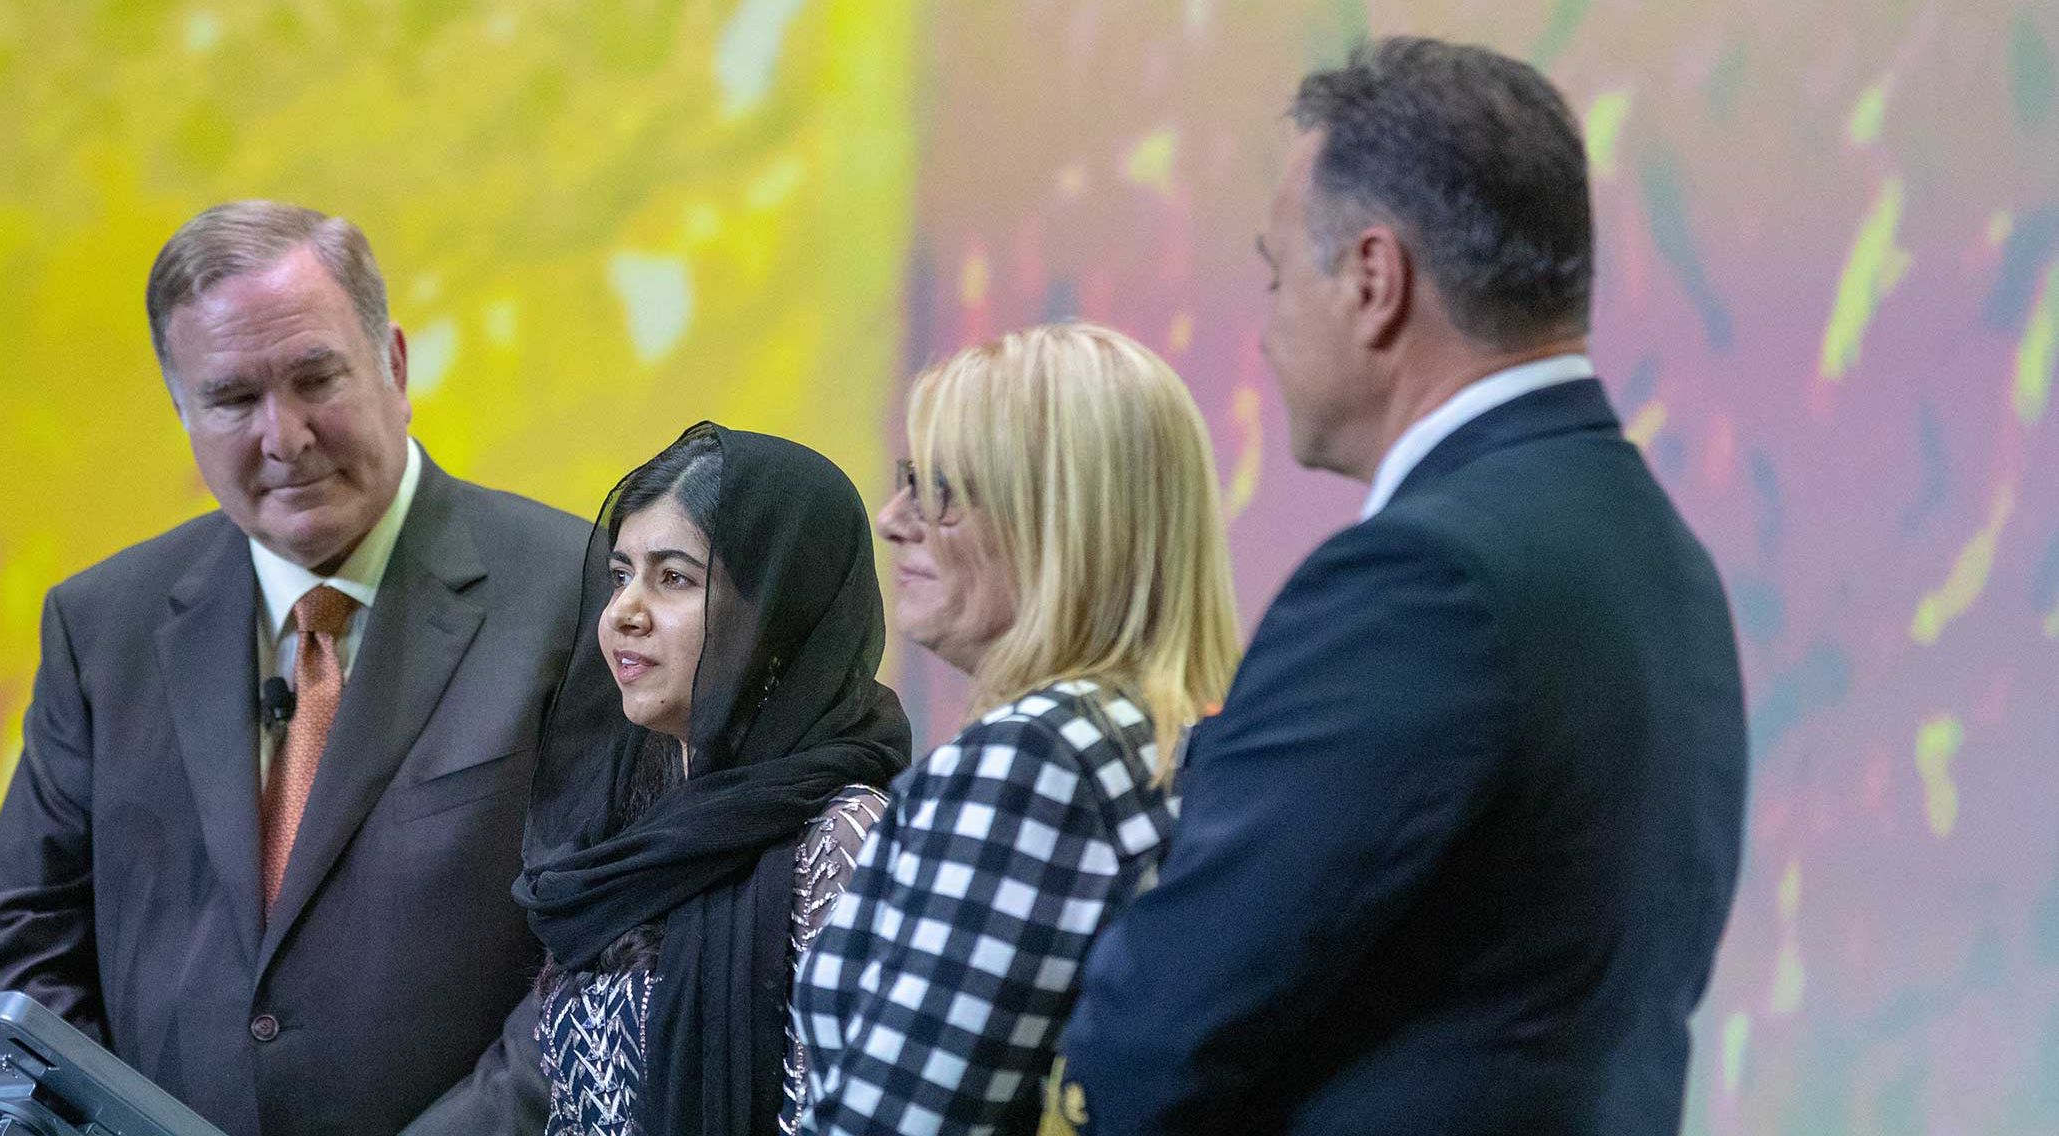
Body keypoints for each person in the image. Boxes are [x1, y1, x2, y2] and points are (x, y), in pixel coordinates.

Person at [1063, 38, 1749, 1134]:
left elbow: (1160, 1030)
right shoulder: (1661, 558)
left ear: (1374, 281)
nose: (1264, 325)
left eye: (1278, 273)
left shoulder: (1421, 581)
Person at [0, 200, 587, 1135]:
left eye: (314, 379)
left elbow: (612, 957)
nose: (283, 437)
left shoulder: (576, 596)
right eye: (232, 400)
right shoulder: (103, 628)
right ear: (182, 411)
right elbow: (21, 935)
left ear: (396, 365)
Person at [795, 321, 1244, 1135]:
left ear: (1062, 519)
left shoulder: (1032, 762)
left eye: (942, 490)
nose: (894, 519)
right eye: (907, 481)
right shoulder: (1167, 735)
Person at [505, 423, 912, 1136]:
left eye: (674, 578)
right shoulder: (633, 824)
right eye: (621, 574)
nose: (625, 613)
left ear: (775, 617)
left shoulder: (843, 840)